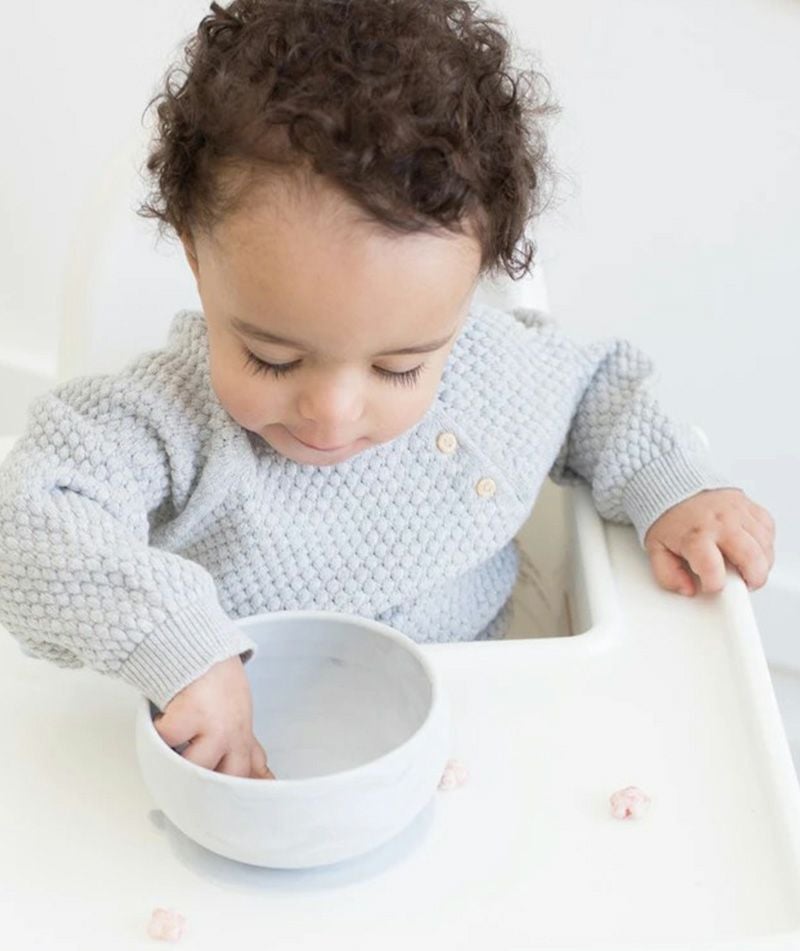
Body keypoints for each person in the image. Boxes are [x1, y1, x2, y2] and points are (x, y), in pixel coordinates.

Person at [0, 0, 775, 780]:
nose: (333, 412)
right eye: (272, 358)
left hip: (474, 740)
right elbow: (29, 522)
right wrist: (177, 646)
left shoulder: (496, 376)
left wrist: (670, 487)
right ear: (198, 261)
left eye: (399, 368)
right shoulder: (165, 419)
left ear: (466, 294)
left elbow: (594, 391)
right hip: (242, 753)